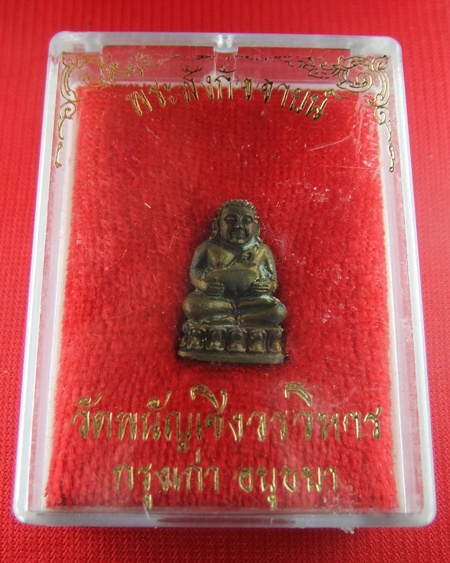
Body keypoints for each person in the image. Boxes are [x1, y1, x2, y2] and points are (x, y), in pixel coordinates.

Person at [179, 199, 286, 363]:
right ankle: (237, 319)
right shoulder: (207, 247)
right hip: (217, 300)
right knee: (191, 304)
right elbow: (194, 273)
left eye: (247, 221)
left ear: (256, 227)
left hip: (252, 301)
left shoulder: (262, 251)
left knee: (278, 310)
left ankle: (232, 319)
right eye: (230, 220)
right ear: (217, 225)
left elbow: (273, 281)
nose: (238, 226)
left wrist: (266, 286)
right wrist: (205, 286)